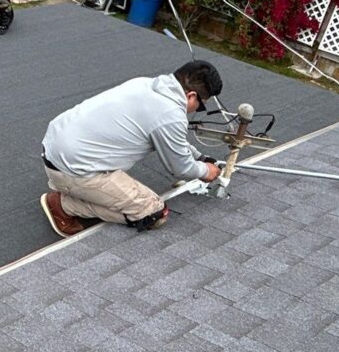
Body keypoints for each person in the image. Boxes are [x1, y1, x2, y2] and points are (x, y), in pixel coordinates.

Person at [39, 60, 224, 237]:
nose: (197, 109)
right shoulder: (170, 114)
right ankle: (63, 205)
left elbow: (172, 139)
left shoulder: (145, 84)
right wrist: (205, 170)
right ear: (191, 95)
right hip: (74, 171)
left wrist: (200, 157)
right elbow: (181, 168)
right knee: (153, 214)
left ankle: (78, 191)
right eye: (201, 104)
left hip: (56, 149)